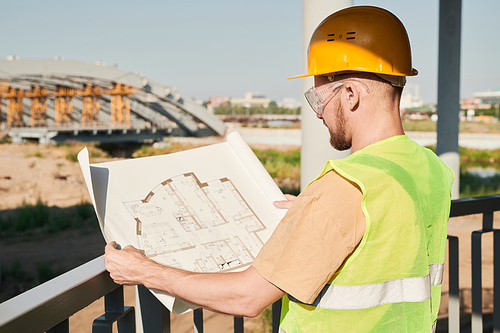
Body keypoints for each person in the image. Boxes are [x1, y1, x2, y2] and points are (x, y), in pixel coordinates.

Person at [105, 5, 454, 332]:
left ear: (350, 94)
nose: (318, 112)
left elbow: (248, 296)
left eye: (319, 98)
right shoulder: (430, 169)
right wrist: (313, 214)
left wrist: (144, 270)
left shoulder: (346, 188)